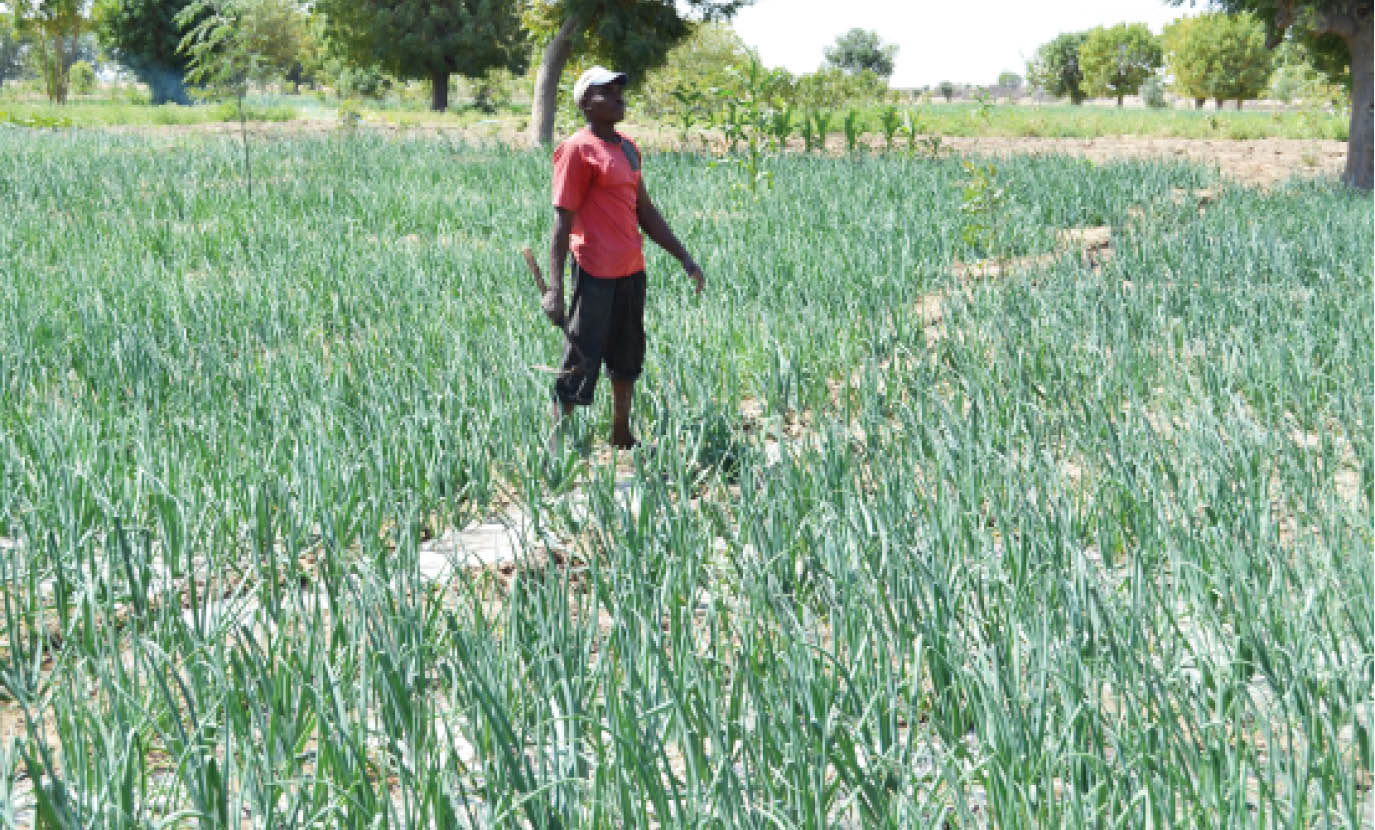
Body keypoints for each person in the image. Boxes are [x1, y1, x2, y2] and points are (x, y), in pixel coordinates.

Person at [543, 65, 704, 450]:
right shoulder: (577, 149)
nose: (617, 96)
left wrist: (685, 257)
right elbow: (561, 221)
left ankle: (620, 433)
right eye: (606, 91)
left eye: (619, 89)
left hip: (631, 269)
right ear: (585, 103)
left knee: (627, 354)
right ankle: (554, 447)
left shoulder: (628, 147)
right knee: (579, 356)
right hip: (593, 269)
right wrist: (554, 288)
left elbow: (644, 211)